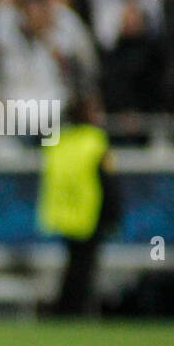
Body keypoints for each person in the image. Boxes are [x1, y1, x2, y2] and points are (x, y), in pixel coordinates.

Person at [38, 95, 120, 315]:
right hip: (89, 212)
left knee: (73, 266)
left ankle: (64, 309)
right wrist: (114, 214)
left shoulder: (60, 141)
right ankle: (74, 311)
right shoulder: (95, 141)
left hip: (65, 213)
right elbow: (107, 181)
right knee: (83, 269)